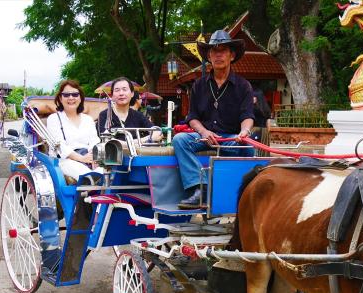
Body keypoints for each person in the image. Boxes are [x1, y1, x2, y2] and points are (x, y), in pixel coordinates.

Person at [173, 30, 255, 209]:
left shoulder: (243, 86)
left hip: (230, 139)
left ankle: (245, 196)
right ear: (209, 56)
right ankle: (200, 188)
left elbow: (247, 116)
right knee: (179, 140)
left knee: (249, 146)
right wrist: (203, 131)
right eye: (214, 51)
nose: (218, 55)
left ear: (231, 55)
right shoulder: (199, 85)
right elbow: (192, 117)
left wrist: (244, 132)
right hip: (204, 137)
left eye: (223, 50)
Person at [46, 80, 102, 181]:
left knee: (109, 173)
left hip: (88, 157)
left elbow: (94, 141)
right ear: (60, 98)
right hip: (65, 160)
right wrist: (81, 158)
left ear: (80, 98)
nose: (71, 98)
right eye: (66, 95)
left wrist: (94, 157)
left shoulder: (88, 119)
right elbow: (59, 146)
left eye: (75, 94)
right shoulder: (54, 118)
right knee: (88, 175)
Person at [97, 77, 162, 144]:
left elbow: (157, 133)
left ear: (132, 94)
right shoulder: (104, 115)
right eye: (117, 90)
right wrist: (146, 139)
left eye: (124, 89)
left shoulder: (138, 115)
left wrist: (154, 134)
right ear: (112, 95)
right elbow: (108, 141)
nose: (121, 93)